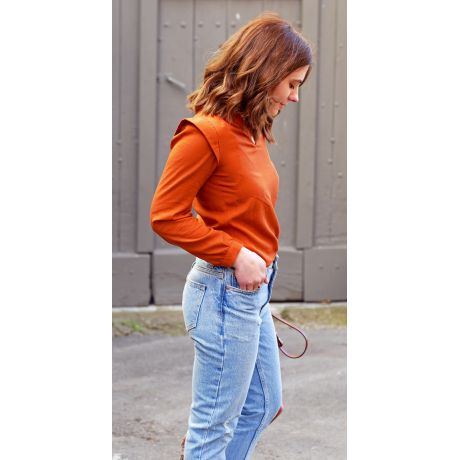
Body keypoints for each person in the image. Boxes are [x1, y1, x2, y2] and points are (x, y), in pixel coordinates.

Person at [150, 12, 312, 460]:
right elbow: (165, 215)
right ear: (266, 71)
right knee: (213, 427)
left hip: (250, 291)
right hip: (224, 292)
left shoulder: (252, 131)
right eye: (292, 84)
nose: (295, 96)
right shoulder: (205, 133)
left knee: (263, 404)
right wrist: (236, 253)